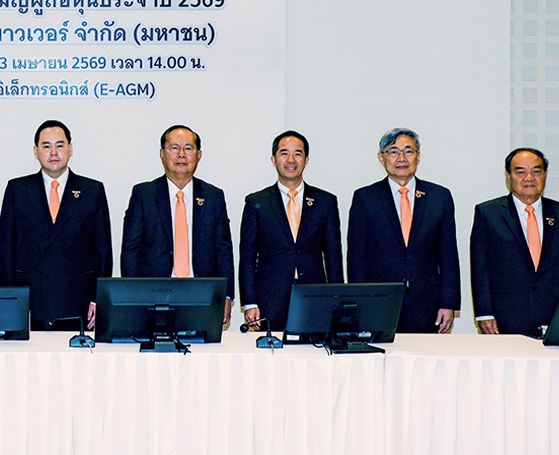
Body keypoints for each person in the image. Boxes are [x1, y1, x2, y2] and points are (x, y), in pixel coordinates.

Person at [0, 119, 112, 331]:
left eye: (60, 145)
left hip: (77, 301)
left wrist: (98, 299)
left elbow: (103, 252)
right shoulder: (18, 190)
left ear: (70, 149)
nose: (53, 152)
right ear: (36, 151)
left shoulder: (92, 190)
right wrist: (10, 300)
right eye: (46, 146)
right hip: (30, 302)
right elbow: (6, 252)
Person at [347, 128, 460, 333]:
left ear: (418, 156)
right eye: (393, 151)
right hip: (379, 302)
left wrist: (449, 303)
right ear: (381, 158)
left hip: (428, 304)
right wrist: (359, 303)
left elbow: (449, 255)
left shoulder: (439, 197)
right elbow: (357, 257)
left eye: (408, 151)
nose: (401, 158)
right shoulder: (365, 198)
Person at [120, 125, 235, 325]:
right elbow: (130, 250)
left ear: (199, 155)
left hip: (201, 294)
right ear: (162, 154)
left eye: (188, 148)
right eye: (174, 147)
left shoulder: (214, 196)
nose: (181, 154)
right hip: (153, 293)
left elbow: (224, 250)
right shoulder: (143, 194)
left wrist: (226, 295)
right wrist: (132, 295)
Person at [470, 147, 559, 337]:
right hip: (505, 316)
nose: (529, 178)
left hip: (554, 315)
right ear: (508, 176)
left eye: (536, 171)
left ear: (545, 175)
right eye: (520, 171)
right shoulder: (488, 213)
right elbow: (480, 269)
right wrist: (484, 314)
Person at [238, 130, 342, 332]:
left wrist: (336, 298)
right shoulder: (256, 202)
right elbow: (248, 258)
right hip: (269, 301)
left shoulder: (325, 202)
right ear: (273, 159)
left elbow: (333, 257)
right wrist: (249, 302)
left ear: (306, 160)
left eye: (298, 154)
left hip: (314, 298)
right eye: (284, 153)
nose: (291, 160)